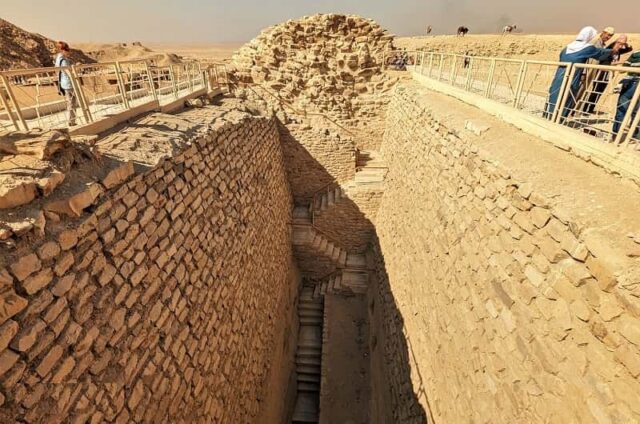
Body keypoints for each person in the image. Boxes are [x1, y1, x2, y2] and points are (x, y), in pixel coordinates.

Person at [544, 26, 619, 119]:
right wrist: (613, 50)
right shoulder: (587, 48)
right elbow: (600, 54)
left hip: (559, 75)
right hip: (573, 76)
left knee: (555, 93)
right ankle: (559, 118)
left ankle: (548, 115)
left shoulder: (567, 47)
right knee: (567, 96)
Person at [582, 34, 633, 113]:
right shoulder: (610, 49)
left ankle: (591, 109)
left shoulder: (618, 50)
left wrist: (625, 44)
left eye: (623, 43)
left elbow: (629, 49)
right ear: (617, 41)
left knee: (601, 91)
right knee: (595, 90)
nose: (621, 45)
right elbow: (606, 62)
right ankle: (586, 108)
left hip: (609, 73)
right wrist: (620, 62)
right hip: (601, 72)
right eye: (620, 43)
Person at [612, 52, 640, 139]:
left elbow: (622, 69)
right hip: (635, 83)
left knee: (622, 109)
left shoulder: (635, 53)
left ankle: (616, 135)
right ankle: (636, 135)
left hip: (629, 83)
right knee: (637, 111)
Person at [54, 41, 77, 127]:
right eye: (67, 49)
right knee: (71, 103)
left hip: (65, 83)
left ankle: (71, 121)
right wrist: (75, 70)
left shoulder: (59, 59)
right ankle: (71, 121)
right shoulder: (63, 60)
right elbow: (68, 72)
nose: (68, 51)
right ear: (62, 50)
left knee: (70, 102)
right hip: (68, 83)